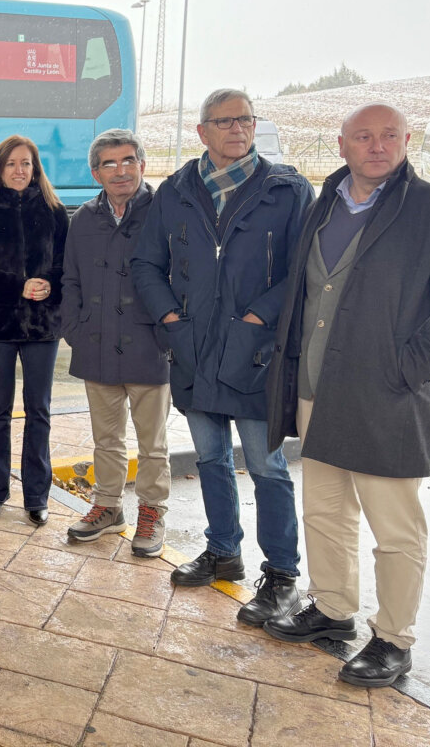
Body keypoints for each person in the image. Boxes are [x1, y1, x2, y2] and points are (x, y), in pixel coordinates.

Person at [263, 103, 430, 687]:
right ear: (342, 145)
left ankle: (393, 638)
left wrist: (406, 368)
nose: (377, 145)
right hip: (317, 388)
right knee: (325, 510)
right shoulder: (326, 202)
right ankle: (333, 608)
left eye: (389, 135)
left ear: (407, 140)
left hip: (387, 396)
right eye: (363, 136)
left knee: (395, 528)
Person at [132, 88, 313, 627]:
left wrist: (259, 316)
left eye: (246, 119)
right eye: (226, 121)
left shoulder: (287, 190)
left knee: (266, 465)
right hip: (192, 348)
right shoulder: (176, 190)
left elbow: (303, 270)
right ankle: (222, 552)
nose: (238, 129)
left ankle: (281, 575)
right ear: (202, 131)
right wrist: (169, 317)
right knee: (211, 458)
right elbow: (146, 263)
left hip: (256, 353)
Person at [61, 130, 170, 553]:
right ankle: (108, 507)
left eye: (128, 161)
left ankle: (152, 512)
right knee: (106, 439)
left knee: (153, 444)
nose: (120, 171)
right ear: (96, 173)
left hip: (150, 345)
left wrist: (169, 330)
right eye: (109, 163)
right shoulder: (84, 218)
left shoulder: (164, 211)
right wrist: (74, 328)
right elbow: (70, 279)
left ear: (142, 165)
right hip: (96, 343)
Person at [0, 135, 68, 525]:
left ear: (35, 169)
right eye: (11, 163)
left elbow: (68, 266)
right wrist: (16, 287)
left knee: (39, 410)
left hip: (42, 327)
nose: (19, 170)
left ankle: (36, 496)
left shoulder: (55, 212)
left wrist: (50, 285)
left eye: (26, 163)